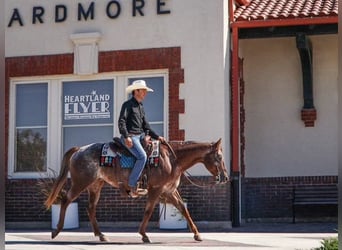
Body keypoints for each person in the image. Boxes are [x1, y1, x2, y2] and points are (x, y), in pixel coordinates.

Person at [118, 79, 165, 198]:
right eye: (143, 91)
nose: (145, 93)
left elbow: (146, 126)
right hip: (130, 137)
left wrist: (157, 136)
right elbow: (121, 122)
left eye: (145, 91)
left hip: (140, 137)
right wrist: (126, 136)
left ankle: (145, 182)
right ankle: (132, 185)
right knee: (142, 156)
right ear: (136, 91)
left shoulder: (141, 107)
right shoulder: (127, 105)